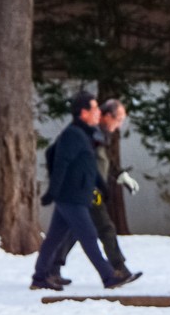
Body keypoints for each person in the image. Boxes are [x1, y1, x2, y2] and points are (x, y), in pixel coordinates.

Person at [30, 92, 122, 291]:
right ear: (83, 113)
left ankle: (40, 276)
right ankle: (108, 276)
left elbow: (89, 167)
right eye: (95, 108)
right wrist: (53, 192)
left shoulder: (85, 135)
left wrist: (103, 187)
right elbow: (61, 163)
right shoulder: (72, 135)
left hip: (77, 195)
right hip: (71, 196)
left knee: (54, 238)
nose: (99, 112)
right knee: (89, 236)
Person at [54, 97, 142, 286]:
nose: (118, 126)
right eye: (118, 120)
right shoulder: (90, 132)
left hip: (84, 190)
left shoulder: (98, 133)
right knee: (105, 228)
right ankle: (118, 269)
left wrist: (120, 175)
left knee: (73, 231)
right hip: (85, 190)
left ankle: (50, 269)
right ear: (107, 116)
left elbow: (103, 161)